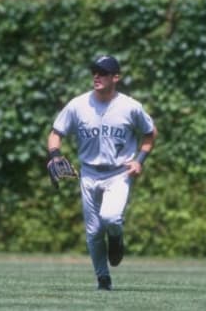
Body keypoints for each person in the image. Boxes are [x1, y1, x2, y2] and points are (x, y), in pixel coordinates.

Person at [46, 55, 157, 291]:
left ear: (115, 77)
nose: (97, 76)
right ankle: (103, 280)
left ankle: (116, 238)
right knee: (94, 232)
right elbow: (56, 133)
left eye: (103, 72)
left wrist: (140, 160)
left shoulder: (130, 106)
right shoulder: (78, 105)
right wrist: (54, 154)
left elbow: (150, 133)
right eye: (94, 71)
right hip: (88, 173)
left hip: (119, 173)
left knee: (111, 218)